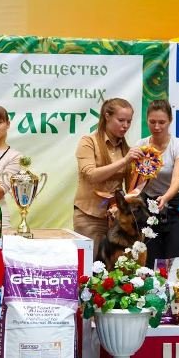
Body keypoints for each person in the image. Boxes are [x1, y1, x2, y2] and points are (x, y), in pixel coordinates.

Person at [74, 98, 143, 258]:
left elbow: (131, 189)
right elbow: (91, 175)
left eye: (129, 121)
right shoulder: (88, 142)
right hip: (89, 216)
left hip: (117, 219)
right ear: (107, 116)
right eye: (121, 120)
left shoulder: (126, 149)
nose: (125, 125)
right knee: (88, 266)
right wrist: (124, 161)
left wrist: (144, 175)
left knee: (116, 267)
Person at [135, 100, 179, 267]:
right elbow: (135, 181)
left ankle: (177, 284)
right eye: (152, 122)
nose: (157, 127)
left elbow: (177, 180)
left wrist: (165, 198)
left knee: (175, 260)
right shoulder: (140, 146)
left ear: (170, 121)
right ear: (147, 120)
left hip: (175, 204)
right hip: (149, 207)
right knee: (151, 259)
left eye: (162, 122)